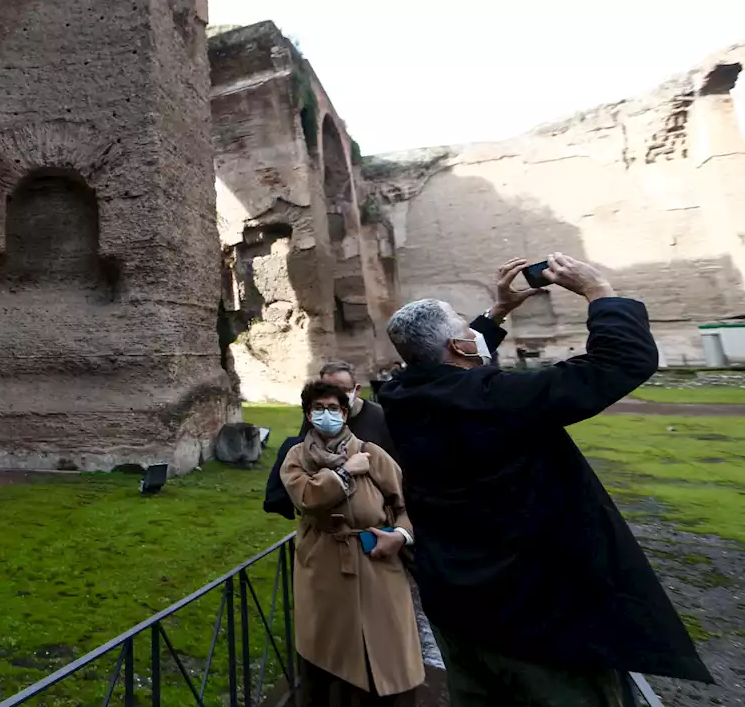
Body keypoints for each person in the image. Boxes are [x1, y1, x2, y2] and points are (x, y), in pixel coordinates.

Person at [378, 255, 712, 707]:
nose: (471, 330)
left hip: (459, 609)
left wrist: (495, 314)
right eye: (463, 325)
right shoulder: (496, 400)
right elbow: (620, 361)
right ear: (459, 347)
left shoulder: (401, 398)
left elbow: (446, 365)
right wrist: (599, 291)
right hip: (537, 622)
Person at [280, 381, 424, 706]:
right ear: (308, 413)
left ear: (345, 413)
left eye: (333, 408)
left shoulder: (372, 454)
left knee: (388, 651)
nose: (326, 415)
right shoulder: (296, 456)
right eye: (318, 408)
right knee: (327, 653)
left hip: (376, 560)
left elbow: (409, 504)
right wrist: (345, 472)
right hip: (323, 563)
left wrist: (400, 536)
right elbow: (307, 497)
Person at [264, 362, 398, 518]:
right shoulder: (319, 415)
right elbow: (307, 450)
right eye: (327, 390)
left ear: (357, 390)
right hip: (324, 500)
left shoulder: (380, 417)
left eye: (341, 390)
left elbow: (393, 469)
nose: (332, 397)